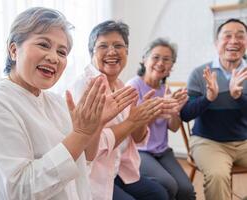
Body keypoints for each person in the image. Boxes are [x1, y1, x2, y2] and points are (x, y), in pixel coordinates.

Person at [0, 7, 138, 200]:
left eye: (62, 52)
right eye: (43, 45)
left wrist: (95, 126)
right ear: (14, 50)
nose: (54, 57)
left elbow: (85, 158)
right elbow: (20, 191)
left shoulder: (56, 102)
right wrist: (81, 134)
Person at [70, 20, 177, 200]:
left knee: (159, 194)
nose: (112, 51)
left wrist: (142, 118)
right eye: (103, 46)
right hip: (91, 175)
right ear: (91, 53)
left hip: (118, 168)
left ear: (127, 52)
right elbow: (90, 149)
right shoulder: (86, 87)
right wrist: (132, 122)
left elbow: (137, 138)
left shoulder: (120, 85)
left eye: (118, 45)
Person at [181, 18, 247, 200]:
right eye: (227, 36)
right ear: (216, 43)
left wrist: (238, 97)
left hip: (244, 142)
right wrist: (208, 98)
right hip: (208, 141)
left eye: (240, 36)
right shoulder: (200, 73)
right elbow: (185, 114)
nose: (234, 41)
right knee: (218, 176)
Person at [126, 38, 196, 200]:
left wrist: (174, 110)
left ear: (171, 67)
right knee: (169, 184)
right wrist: (155, 111)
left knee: (186, 189)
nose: (160, 63)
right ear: (145, 60)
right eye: (156, 57)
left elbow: (174, 127)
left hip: (162, 151)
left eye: (166, 59)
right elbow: (131, 129)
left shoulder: (165, 90)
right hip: (139, 150)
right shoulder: (133, 86)